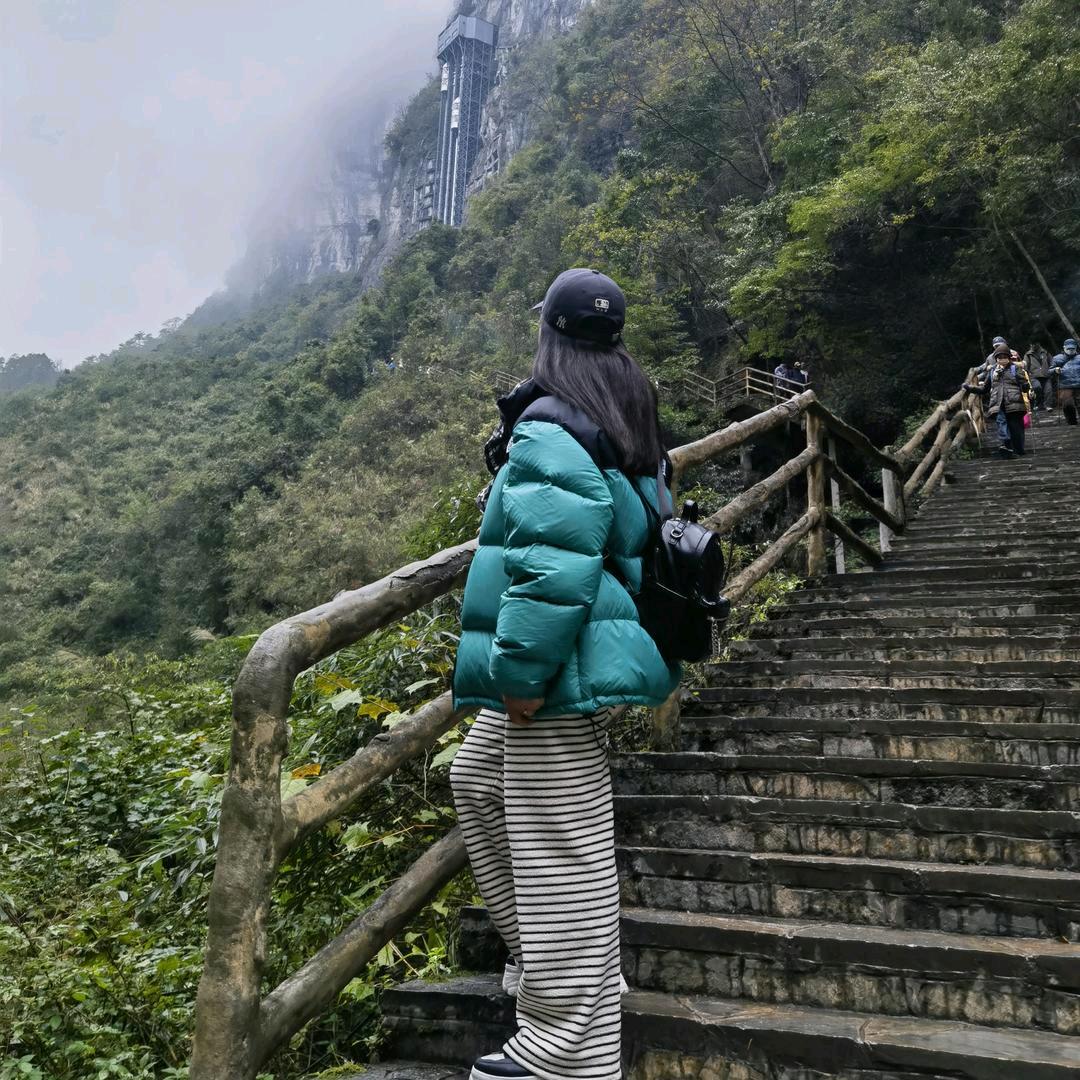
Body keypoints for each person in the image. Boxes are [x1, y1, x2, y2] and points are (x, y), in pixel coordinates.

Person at [450, 267, 680, 1080]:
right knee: (477, 780)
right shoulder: (622, 404)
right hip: (577, 649)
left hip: (556, 662)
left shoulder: (554, 425)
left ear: (548, 332)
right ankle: (547, 972)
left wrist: (521, 674)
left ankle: (567, 1046)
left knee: (561, 840)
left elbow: (553, 565)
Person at [966, 348, 1034, 455]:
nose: (1002, 359)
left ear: (1009, 358)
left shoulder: (1015, 368)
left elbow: (1024, 384)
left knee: (1015, 427)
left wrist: (1026, 387)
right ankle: (1006, 445)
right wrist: (970, 388)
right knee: (1001, 423)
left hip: (1014, 403)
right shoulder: (992, 371)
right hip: (998, 404)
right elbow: (985, 388)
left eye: (1004, 357)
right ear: (996, 359)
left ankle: (1018, 450)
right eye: (999, 358)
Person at [1052, 338, 1080, 425]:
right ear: (1064, 348)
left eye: (1072, 348)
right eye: (1068, 349)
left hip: (1079, 385)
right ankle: (1072, 422)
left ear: (1076, 348)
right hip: (1065, 386)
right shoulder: (1057, 358)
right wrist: (1055, 370)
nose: (1070, 350)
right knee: (1068, 405)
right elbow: (1049, 371)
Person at [1024, 345, 1053, 410]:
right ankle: (1038, 404)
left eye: (1035, 343)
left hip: (1046, 375)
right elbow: (1025, 365)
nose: (1034, 345)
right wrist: (1027, 374)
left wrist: (1051, 369)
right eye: (1032, 344)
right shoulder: (1028, 354)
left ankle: (1048, 405)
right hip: (1034, 376)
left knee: (1048, 390)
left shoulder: (1046, 352)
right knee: (1037, 387)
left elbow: (1052, 363)